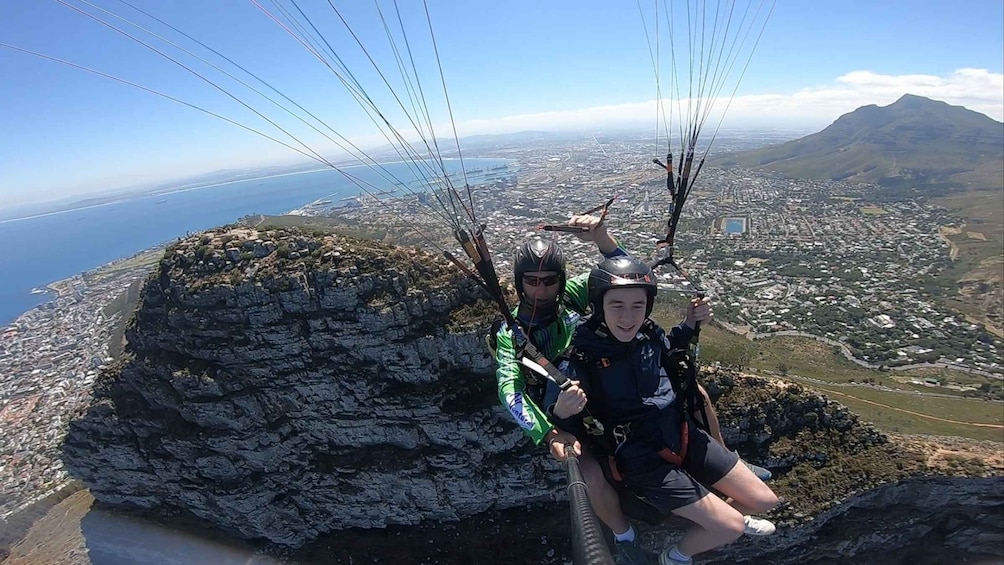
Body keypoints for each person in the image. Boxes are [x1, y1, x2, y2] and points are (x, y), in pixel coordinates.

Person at [549, 256, 779, 565]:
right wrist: (562, 411)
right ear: (599, 306)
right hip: (643, 459)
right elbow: (567, 423)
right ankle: (675, 557)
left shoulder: (648, 332)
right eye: (617, 305)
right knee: (732, 526)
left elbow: (668, 352)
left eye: (637, 305)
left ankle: (717, 515)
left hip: (682, 435)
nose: (628, 317)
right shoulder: (582, 355)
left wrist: (689, 323)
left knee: (766, 500)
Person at [492, 216, 650, 565]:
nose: (541, 290)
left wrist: (602, 238)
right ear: (520, 285)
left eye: (549, 281)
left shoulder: (572, 297)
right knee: (589, 474)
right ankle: (625, 538)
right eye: (532, 282)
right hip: (561, 409)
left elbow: (627, 279)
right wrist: (548, 434)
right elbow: (510, 390)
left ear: (560, 281)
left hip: (602, 387)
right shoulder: (511, 333)